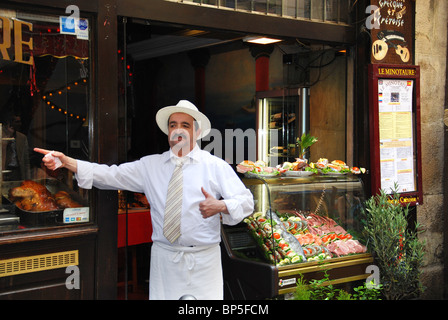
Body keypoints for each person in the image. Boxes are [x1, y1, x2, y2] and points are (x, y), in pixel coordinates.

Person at [35, 100, 254, 300]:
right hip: (164, 258)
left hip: (204, 260)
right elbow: (110, 174)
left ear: (196, 132)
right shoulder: (150, 166)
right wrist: (67, 162)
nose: (178, 130)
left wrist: (221, 206)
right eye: (173, 124)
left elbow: (246, 201)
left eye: (185, 125)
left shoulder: (215, 166)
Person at [1, 112, 30, 181]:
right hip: (4, 170)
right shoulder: (1, 136)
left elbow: (26, 161)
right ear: (9, 123)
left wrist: (27, 178)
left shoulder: (22, 138)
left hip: (17, 172)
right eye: (16, 122)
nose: (19, 124)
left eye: (20, 122)